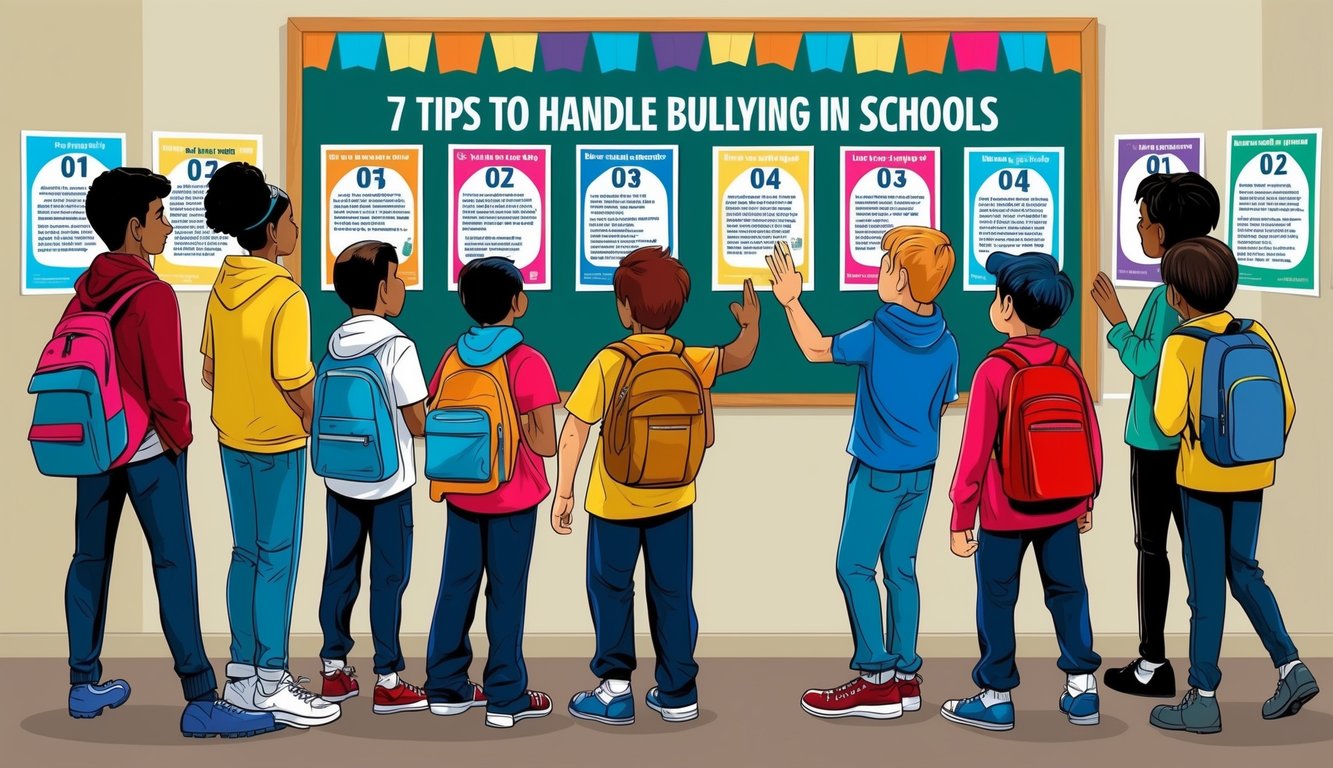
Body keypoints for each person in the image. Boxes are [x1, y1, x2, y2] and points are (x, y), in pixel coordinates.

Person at [59, 167, 277, 738]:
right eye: (159, 216)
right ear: (135, 228)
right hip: (150, 448)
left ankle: (83, 685)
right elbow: (166, 386)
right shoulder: (151, 293)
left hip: (96, 444)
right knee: (174, 564)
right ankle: (200, 698)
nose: (169, 226)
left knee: (89, 560)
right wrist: (179, 438)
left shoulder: (87, 285)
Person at [557, 246, 759, 726]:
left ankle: (615, 690)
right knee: (672, 592)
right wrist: (750, 323)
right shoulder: (690, 357)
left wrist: (564, 492)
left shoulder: (612, 361)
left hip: (614, 501)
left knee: (611, 588)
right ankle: (678, 691)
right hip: (675, 497)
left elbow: (576, 428)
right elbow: (739, 356)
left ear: (625, 308)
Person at [768, 228, 959, 720]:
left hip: (877, 470)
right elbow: (941, 405)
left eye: (885, 264)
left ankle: (875, 679)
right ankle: (906, 677)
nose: (878, 271)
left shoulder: (878, 333)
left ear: (900, 278)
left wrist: (791, 302)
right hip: (922, 472)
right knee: (901, 569)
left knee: (853, 566)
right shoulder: (948, 343)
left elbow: (816, 350)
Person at [1148, 237, 1318, 735]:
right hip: (1252, 475)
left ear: (1176, 295)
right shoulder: (1255, 332)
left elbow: (1165, 420)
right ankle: (1291, 667)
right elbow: (1286, 408)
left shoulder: (1181, 343)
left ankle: (1202, 698)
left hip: (1201, 479)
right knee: (1244, 570)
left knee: (1206, 589)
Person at [940, 252, 1103, 732]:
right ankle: (1081, 692)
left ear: (1007, 305)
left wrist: (959, 518)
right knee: (1069, 593)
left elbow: (974, 453)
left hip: (1002, 511)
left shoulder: (994, 369)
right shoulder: (1066, 362)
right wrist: (1085, 500)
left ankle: (996, 697)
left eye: (996, 295)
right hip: (1062, 506)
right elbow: (1089, 435)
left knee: (996, 598)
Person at [202, 162, 338, 729]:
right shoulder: (287, 296)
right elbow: (296, 380)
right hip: (279, 442)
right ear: (272, 231)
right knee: (278, 560)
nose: (297, 232)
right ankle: (273, 679)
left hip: (232, 437)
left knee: (245, 553)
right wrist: (319, 425)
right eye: (292, 222)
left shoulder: (222, 286)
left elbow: (208, 371)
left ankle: (242, 674)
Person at [1090, 172, 1220, 698]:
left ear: (1163, 230)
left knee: (1152, 548)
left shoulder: (1168, 294)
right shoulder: (1200, 283)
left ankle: (1153, 662)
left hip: (1155, 442)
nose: (1138, 228)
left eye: (1142, 220)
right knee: (1194, 552)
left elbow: (1148, 360)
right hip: (1190, 444)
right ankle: (1197, 667)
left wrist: (1116, 320)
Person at [423, 257, 560, 729]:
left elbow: (432, 416)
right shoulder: (529, 362)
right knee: (506, 594)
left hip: (462, 492)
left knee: (455, 588)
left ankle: (445, 687)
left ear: (465, 303)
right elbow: (545, 442)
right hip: (514, 497)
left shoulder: (451, 356)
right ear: (518, 303)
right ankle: (505, 696)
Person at [314, 241, 430, 715]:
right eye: (398, 277)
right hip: (388, 485)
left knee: (339, 572)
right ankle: (388, 679)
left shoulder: (334, 342)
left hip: (340, 480)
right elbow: (418, 422)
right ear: (383, 290)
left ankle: (334, 670)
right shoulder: (398, 346)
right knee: (388, 578)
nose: (402, 286)